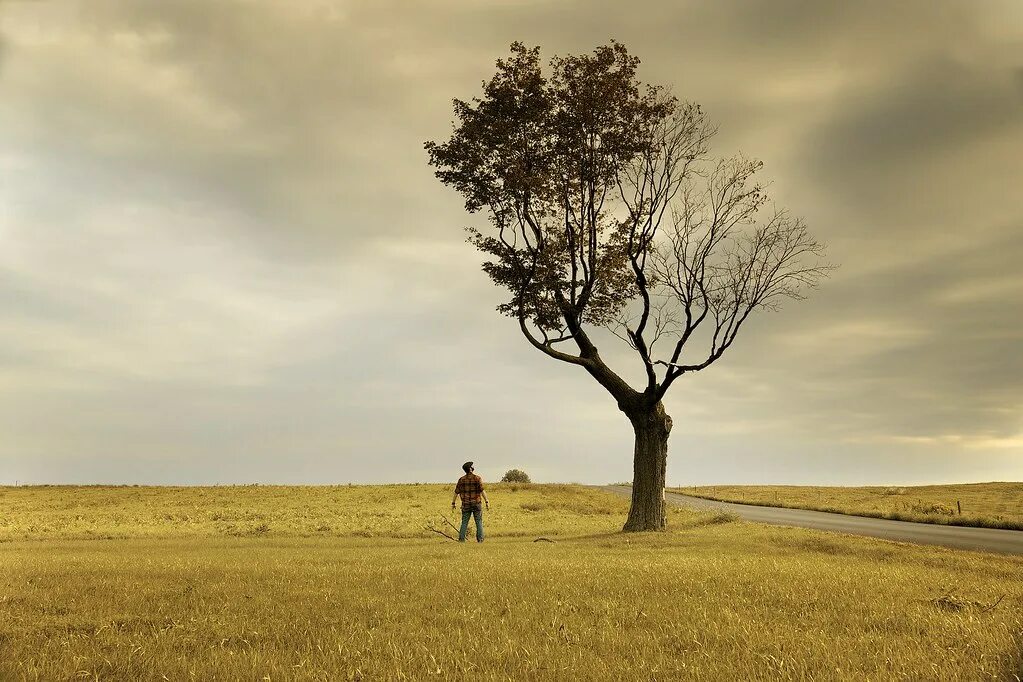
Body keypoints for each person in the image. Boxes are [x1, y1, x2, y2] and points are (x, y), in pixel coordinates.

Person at [451, 461, 489, 543]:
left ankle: (461, 540)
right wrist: (487, 501)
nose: (473, 467)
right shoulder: (477, 478)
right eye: (472, 466)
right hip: (477, 503)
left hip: (466, 504)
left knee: (464, 523)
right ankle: (480, 540)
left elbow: (456, 492)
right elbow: (482, 491)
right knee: (478, 522)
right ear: (470, 469)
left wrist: (453, 503)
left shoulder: (461, 480)